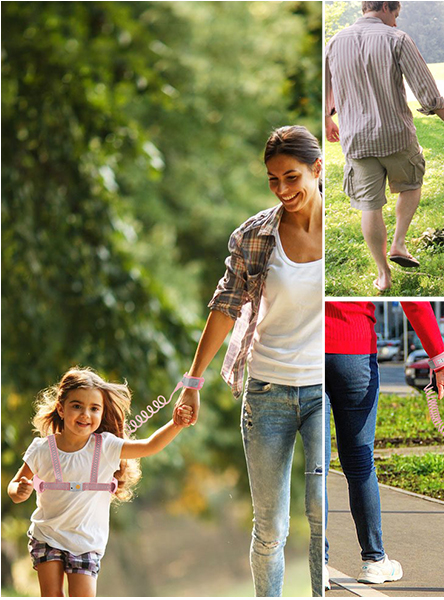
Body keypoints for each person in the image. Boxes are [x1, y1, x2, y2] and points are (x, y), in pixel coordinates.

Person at [172, 125, 323, 596]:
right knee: (271, 528)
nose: (283, 190)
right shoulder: (255, 235)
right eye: (273, 180)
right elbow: (224, 307)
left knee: (320, 510)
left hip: (324, 389)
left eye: (292, 177)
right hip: (267, 391)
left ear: (318, 170)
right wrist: (192, 383)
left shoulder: (346, 228)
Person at [325, 301, 444, 590]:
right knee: (359, 462)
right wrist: (440, 360)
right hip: (354, 350)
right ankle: (374, 561)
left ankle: (317, 563)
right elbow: (414, 304)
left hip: (310, 351)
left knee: (316, 464)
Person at [7, 367, 192, 597]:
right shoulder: (42, 449)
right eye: (77, 406)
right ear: (61, 409)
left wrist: (176, 424)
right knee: (51, 595)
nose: (85, 414)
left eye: (94, 408)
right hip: (48, 535)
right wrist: (21, 490)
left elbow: (149, 446)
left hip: (86, 542)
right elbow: (14, 487)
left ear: (102, 413)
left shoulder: (106, 446)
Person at [325, 0, 444, 293]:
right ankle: (399, 243)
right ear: (387, 7)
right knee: (412, 183)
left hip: (356, 139)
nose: (396, 23)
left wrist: (327, 119)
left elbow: (325, 91)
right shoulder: (397, 39)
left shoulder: (335, 42)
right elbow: (427, 93)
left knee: (369, 206)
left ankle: (383, 274)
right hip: (396, 135)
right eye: (396, 16)